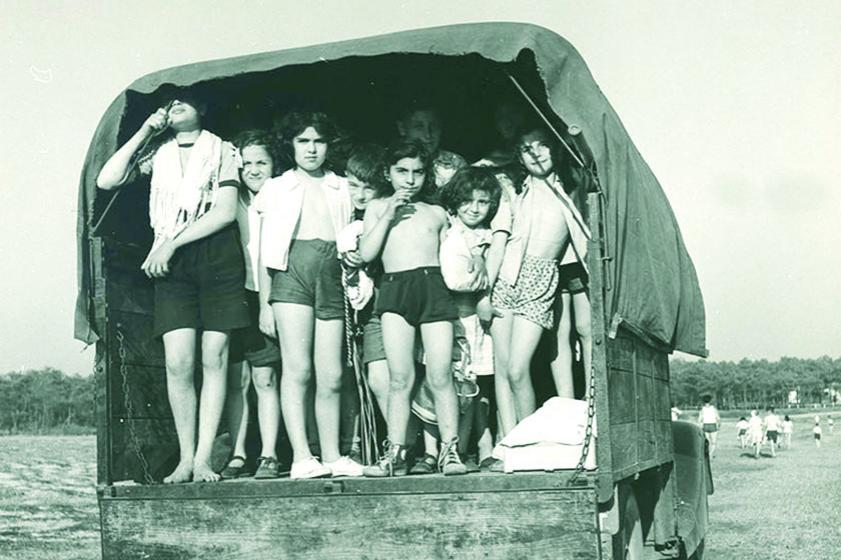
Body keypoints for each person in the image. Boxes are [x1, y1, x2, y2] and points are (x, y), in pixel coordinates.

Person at [96, 91, 250, 483]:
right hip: (173, 266)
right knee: (179, 362)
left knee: (214, 358)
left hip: (215, 257)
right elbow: (107, 178)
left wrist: (171, 243)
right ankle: (185, 458)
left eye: (187, 99)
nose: (177, 104)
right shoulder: (158, 154)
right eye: (171, 101)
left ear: (204, 107)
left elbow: (225, 211)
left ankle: (203, 460)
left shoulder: (224, 152)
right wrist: (147, 129)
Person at [254, 111, 362, 479]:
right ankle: (302, 455)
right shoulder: (276, 187)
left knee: (331, 374)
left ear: (328, 145)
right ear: (291, 145)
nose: (311, 149)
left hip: (332, 275)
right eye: (303, 141)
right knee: (297, 369)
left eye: (318, 141)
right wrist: (264, 304)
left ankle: (331, 454)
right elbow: (260, 251)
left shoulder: (343, 186)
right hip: (290, 276)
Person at [359, 140, 466, 477]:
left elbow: (457, 255)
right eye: (401, 171)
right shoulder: (377, 207)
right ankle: (395, 453)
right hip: (395, 289)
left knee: (440, 374)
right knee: (399, 377)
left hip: (433, 288)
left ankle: (450, 451)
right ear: (388, 173)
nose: (410, 179)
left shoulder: (435, 212)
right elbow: (366, 254)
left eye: (417, 172)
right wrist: (389, 212)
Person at [484, 123, 590, 436]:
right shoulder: (514, 190)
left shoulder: (568, 189)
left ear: (555, 148)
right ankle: (510, 440)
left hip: (540, 280)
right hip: (504, 279)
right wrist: (485, 294)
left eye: (541, 145)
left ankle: (527, 438)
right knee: (503, 370)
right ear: (518, 155)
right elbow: (499, 243)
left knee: (518, 369)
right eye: (526, 148)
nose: (535, 152)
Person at [222, 130, 283, 480]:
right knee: (236, 378)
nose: (254, 169)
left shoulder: (281, 197)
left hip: (271, 293)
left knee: (266, 378)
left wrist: (268, 303)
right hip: (235, 294)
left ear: (274, 165)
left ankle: (271, 454)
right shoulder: (230, 200)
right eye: (246, 163)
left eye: (262, 162)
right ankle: (238, 453)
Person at [439, 167, 502, 471]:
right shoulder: (448, 230)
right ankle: (456, 448)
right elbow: (453, 277)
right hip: (452, 317)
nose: (474, 209)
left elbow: (487, 274)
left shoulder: (489, 236)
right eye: (468, 201)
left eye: (483, 202)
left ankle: (484, 443)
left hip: (478, 321)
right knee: (455, 382)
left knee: (480, 384)